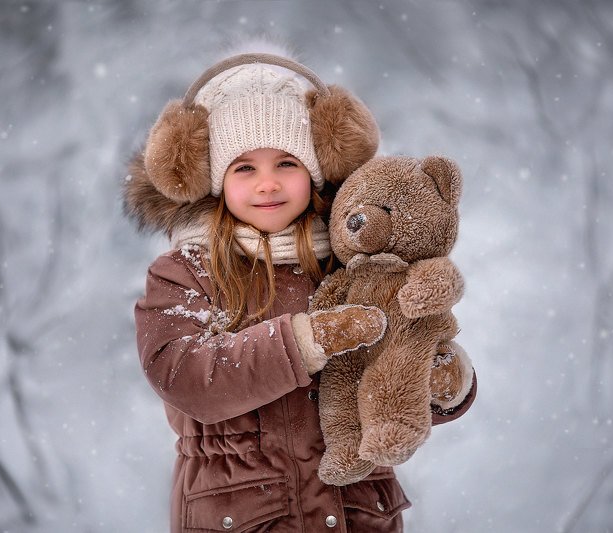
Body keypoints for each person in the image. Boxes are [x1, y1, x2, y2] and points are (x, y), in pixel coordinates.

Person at [125, 53, 476, 532]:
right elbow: (183, 375)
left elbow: (388, 375)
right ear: (215, 181)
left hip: (358, 511)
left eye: (286, 162)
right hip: (245, 514)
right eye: (244, 167)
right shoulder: (186, 272)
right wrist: (305, 341)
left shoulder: (354, 262)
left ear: (314, 172)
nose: (267, 183)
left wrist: (442, 382)